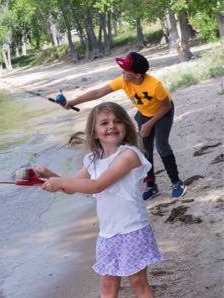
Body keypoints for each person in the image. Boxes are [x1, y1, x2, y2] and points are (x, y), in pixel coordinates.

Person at [37, 102, 165, 298]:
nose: (111, 127)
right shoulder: (93, 159)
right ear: (94, 132)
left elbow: (97, 186)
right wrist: (46, 175)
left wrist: (60, 182)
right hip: (107, 235)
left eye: (116, 121)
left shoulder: (128, 155)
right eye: (104, 123)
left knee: (139, 284)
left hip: (132, 231)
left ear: (125, 126)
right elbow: (74, 186)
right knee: (107, 287)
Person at [63, 51, 186, 200]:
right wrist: (73, 102)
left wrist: (150, 123)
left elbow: (166, 106)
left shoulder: (155, 85)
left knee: (161, 146)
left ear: (138, 75)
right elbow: (98, 92)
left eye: (126, 70)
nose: (123, 72)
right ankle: (151, 185)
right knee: (144, 149)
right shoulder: (124, 80)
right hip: (144, 114)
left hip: (162, 113)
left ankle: (177, 183)